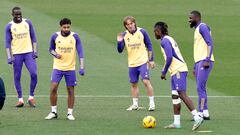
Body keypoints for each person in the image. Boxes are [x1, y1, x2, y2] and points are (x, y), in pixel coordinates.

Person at [154, 21, 203, 130]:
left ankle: (197, 116)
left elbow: (170, 57)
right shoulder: (168, 39)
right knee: (175, 96)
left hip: (178, 70)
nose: (154, 34)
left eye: (155, 31)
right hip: (175, 71)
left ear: (159, 31)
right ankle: (176, 123)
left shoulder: (165, 41)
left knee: (181, 93)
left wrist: (163, 71)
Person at [45, 18, 84, 121]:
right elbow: (50, 49)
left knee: (70, 91)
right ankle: (53, 111)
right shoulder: (55, 36)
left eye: (68, 27)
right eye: (64, 27)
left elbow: (80, 52)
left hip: (70, 68)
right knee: (53, 88)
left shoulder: (75, 37)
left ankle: (69, 113)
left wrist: (82, 67)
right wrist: (55, 54)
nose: (66, 29)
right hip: (57, 67)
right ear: (60, 27)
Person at [117, 16, 155, 111]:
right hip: (132, 64)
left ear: (134, 23)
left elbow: (149, 45)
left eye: (131, 23)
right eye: (128, 24)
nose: (130, 26)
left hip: (143, 61)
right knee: (134, 84)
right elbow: (120, 50)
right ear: (125, 26)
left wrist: (151, 59)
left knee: (146, 81)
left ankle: (151, 103)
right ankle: (135, 104)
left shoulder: (142, 32)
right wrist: (119, 42)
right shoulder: (124, 35)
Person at [5, 7, 38, 107]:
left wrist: (35, 51)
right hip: (17, 55)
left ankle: (31, 97)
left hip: (28, 53)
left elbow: (34, 37)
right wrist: (9, 57)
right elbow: (7, 42)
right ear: (12, 15)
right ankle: (20, 99)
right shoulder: (9, 26)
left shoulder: (27, 22)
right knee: (17, 76)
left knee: (34, 74)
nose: (18, 16)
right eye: (16, 15)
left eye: (20, 14)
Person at [189, 10, 214, 120]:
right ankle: (205, 112)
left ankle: (202, 111)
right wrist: (195, 66)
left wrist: (207, 59)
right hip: (200, 61)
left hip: (205, 61)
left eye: (191, 18)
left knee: (200, 87)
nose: (189, 20)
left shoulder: (202, 27)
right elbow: (199, 49)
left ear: (197, 18)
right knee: (200, 87)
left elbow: (210, 43)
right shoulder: (197, 29)